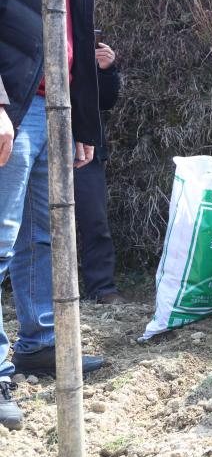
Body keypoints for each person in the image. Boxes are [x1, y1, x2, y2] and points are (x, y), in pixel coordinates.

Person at [0, 0, 111, 430]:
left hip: (54, 111)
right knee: (0, 237)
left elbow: (77, 50)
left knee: (43, 236)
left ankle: (38, 344)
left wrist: (82, 126)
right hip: (12, 110)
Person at [74, 32, 124, 304]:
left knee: (95, 219)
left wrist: (106, 69)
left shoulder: (82, 38)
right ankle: (43, 292)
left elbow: (105, 101)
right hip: (36, 135)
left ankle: (102, 288)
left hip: (84, 142)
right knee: (37, 224)